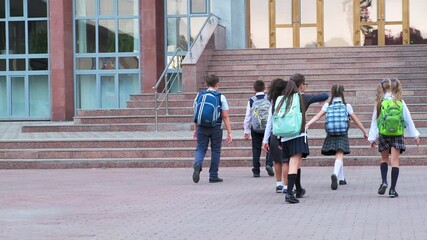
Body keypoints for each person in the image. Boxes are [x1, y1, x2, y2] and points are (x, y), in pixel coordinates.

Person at [305, 84, 368, 190]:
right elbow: (356, 121)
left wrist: (308, 124)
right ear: (342, 93)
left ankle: (341, 178)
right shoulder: (346, 106)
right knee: (340, 154)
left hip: (331, 132)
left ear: (332, 93)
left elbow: (317, 116)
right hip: (342, 132)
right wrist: (365, 132)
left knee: (339, 154)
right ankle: (335, 173)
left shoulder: (327, 105)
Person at [368, 78, 420, 198]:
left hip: (384, 134)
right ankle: (392, 190)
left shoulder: (380, 102)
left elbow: (374, 121)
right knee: (395, 161)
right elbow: (408, 119)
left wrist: (372, 138)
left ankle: (384, 181)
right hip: (397, 134)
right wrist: (415, 135)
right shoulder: (400, 101)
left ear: (383, 88)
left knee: (384, 159)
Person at [285, 73, 329, 201]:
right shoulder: (303, 98)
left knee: (296, 161)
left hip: (284, 133)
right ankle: (289, 193)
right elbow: (325, 95)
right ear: (301, 85)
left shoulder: (283, 97)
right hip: (298, 133)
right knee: (294, 160)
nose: (305, 86)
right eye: (305, 84)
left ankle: (298, 189)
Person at [192, 74, 233, 183]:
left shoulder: (199, 95)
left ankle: (197, 164)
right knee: (215, 150)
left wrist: (196, 128)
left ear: (206, 84)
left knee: (200, 148)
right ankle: (213, 175)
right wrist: (229, 132)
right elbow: (225, 116)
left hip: (201, 126)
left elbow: (196, 113)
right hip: (216, 127)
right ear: (217, 84)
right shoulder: (220, 97)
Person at [262, 79, 288, 192]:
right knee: (286, 161)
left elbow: (269, 123)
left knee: (277, 161)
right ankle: (287, 185)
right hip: (287, 134)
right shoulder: (288, 101)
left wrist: (265, 140)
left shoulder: (273, 103)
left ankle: (279, 184)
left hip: (274, 134)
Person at [244, 80, 274, 178]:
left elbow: (248, 116)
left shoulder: (251, 100)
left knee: (256, 149)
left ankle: (256, 170)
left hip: (255, 128)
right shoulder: (269, 98)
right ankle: (269, 164)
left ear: (254, 89)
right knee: (269, 146)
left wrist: (246, 130)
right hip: (268, 127)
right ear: (264, 88)